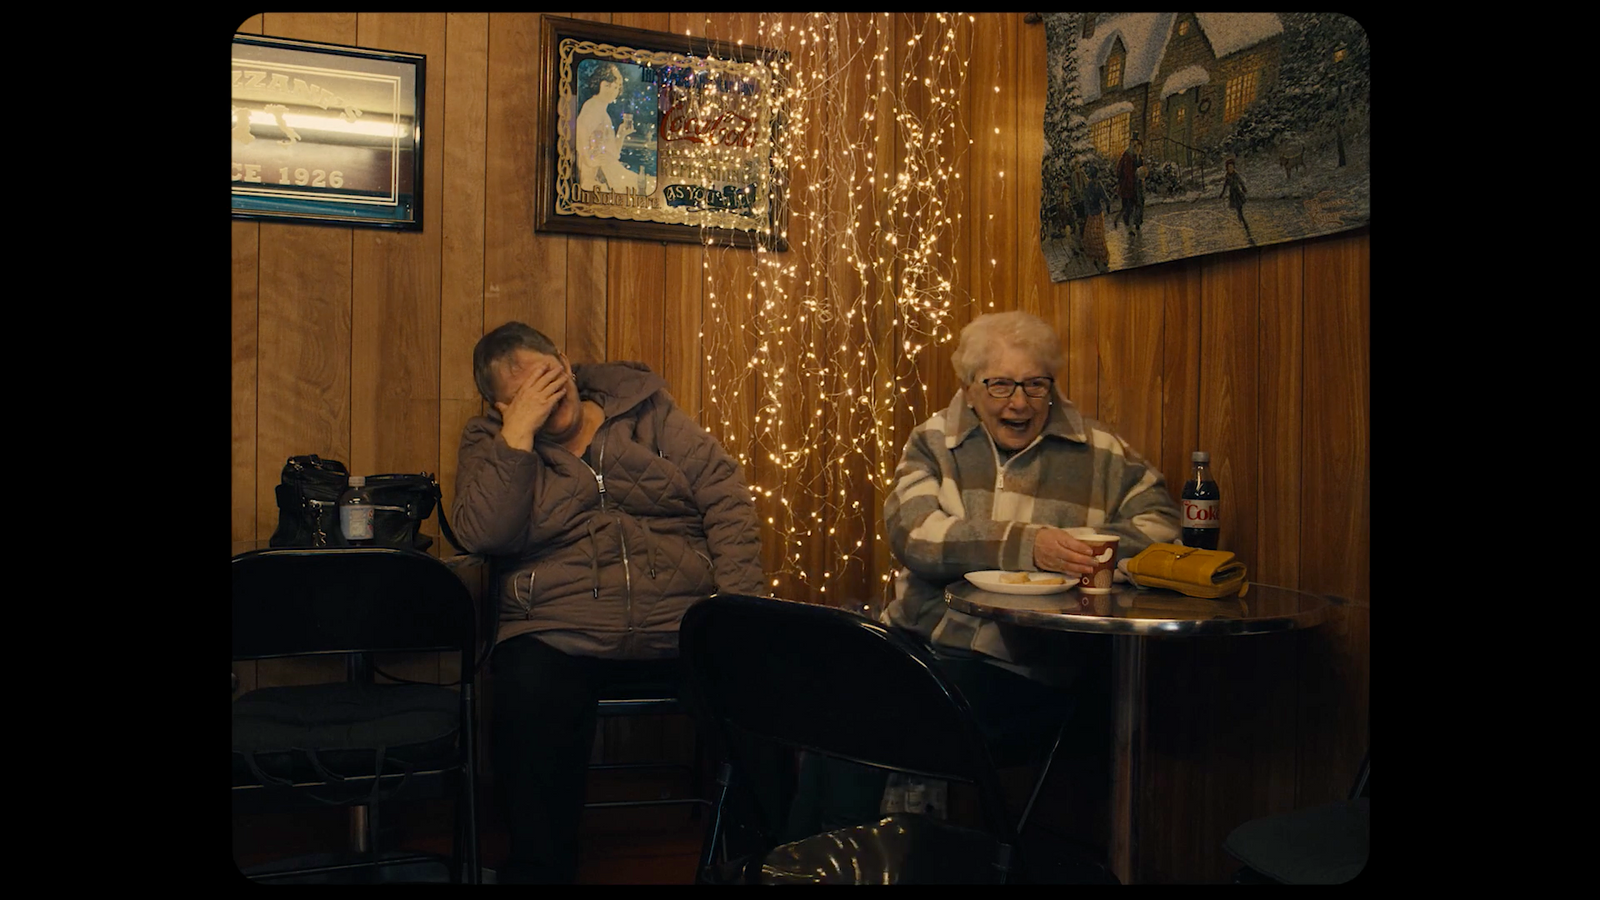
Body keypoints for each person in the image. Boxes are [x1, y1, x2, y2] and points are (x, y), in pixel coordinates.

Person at [787, 311, 1182, 838]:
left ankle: (830, 854)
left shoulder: (1099, 452)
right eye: (999, 385)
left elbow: (1161, 525)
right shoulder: (935, 441)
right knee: (821, 693)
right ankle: (808, 855)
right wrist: (1028, 545)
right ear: (969, 389)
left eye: (1035, 385)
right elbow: (915, 535)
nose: (1018, 403)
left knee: (867, 707)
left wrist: (1091, 550)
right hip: (920, 640)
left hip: (1026, 667)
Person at [452, 322, 766, 883]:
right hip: (559, 623)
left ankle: (761, 859)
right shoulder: (490, 444)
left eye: (550, 377)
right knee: (528, 691)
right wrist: (518, 437)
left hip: (680, 616)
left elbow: (727, 496)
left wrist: (740, 612)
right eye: (526, 395)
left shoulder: (649, 413)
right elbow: (482, 534)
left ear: (566, 363)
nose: (549, 397)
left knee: (762, 687)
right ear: (502, 406)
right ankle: (541, 870)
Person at [575, 62, 644, 194]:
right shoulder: (592, 107)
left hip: (610, 173)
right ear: (598, 84)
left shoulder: (604, 113)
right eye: (608, 85)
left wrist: (621, 134)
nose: (612, 90)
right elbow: (580, 135)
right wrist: (590, 161)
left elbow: (613, 154)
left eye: (617, 87)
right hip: (595, 178)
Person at [1115, 137, 1143, 232]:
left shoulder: (1137, 157)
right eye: (1134, 145)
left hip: (1134, 186)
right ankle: (1126, 224)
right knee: (1127, 207)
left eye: (1138, 145)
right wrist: (1123, 180)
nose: (1136, 147)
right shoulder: (1126, 156)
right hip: (1127, 186)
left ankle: (1135, 223)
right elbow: (1120, 171)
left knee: (1135, 205)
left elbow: (1140, 170)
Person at [1220, 156, 1248, 227]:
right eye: (1229, 167)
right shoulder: (1227, 176)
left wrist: (1243, 188)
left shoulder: (1236, 175)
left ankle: (1241, 215)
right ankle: (1240, 214)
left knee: (1240, 205)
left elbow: (1240, 182)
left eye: (1232, 167)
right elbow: (1225, 185)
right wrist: (1222, 193)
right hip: (1232, 193)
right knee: (1237, 206)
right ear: (1227, 168)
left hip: (1237, 192)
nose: (1230, 168)